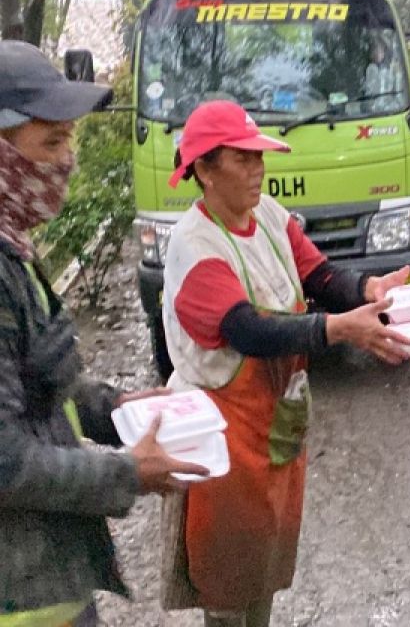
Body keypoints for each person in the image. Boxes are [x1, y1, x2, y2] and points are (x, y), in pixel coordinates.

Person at [160, 100, 410, 627]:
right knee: (229, 586)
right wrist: (341, 328)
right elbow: (249, 330)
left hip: (272, 429)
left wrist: (369, 289)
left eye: (259, 156)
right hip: (224, 440)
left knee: (264, 569)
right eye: (242, 158)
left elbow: (319, 276)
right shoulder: (195, 245)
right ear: (204, 170)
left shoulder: (268, 217)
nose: (258, 169)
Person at [0, 40, 206, 625]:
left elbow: (36, 387)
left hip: (48, 583)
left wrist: (118, 409)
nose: (67, 161)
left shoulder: (12, 247)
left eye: (71, 140)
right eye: (52, 142)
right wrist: (128, 472)